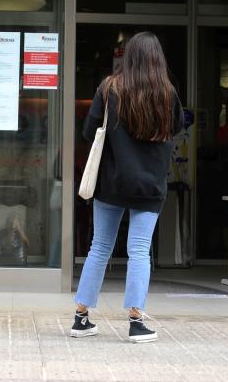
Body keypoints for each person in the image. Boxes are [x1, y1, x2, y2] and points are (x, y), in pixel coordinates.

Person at [71, 31, 184, 344]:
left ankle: (81, 318)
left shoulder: (110, 88)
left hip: (112, 182)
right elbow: (175, 128)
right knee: (138, 250)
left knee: (100, 247)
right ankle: (136, 322)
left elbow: (88, 131)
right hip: (150, 186)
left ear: (128, 58)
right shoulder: (167, 93)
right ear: (158, 60)